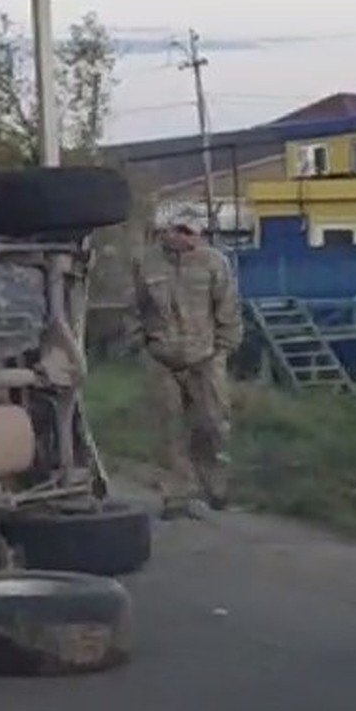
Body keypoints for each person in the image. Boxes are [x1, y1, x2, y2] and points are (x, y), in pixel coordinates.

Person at [131, 207, 243, 519]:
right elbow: (134, 307)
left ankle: (216, 487)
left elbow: (228, 309)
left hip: (205, 357)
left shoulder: (214, 262)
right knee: (169, 428)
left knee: (212, 423)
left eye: (192, 232)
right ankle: (176, 495)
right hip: (161, 358)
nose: (186, 237)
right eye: (179, 230)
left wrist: (222, 350)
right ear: (167, 231)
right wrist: (142, 345)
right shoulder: (146, 262)